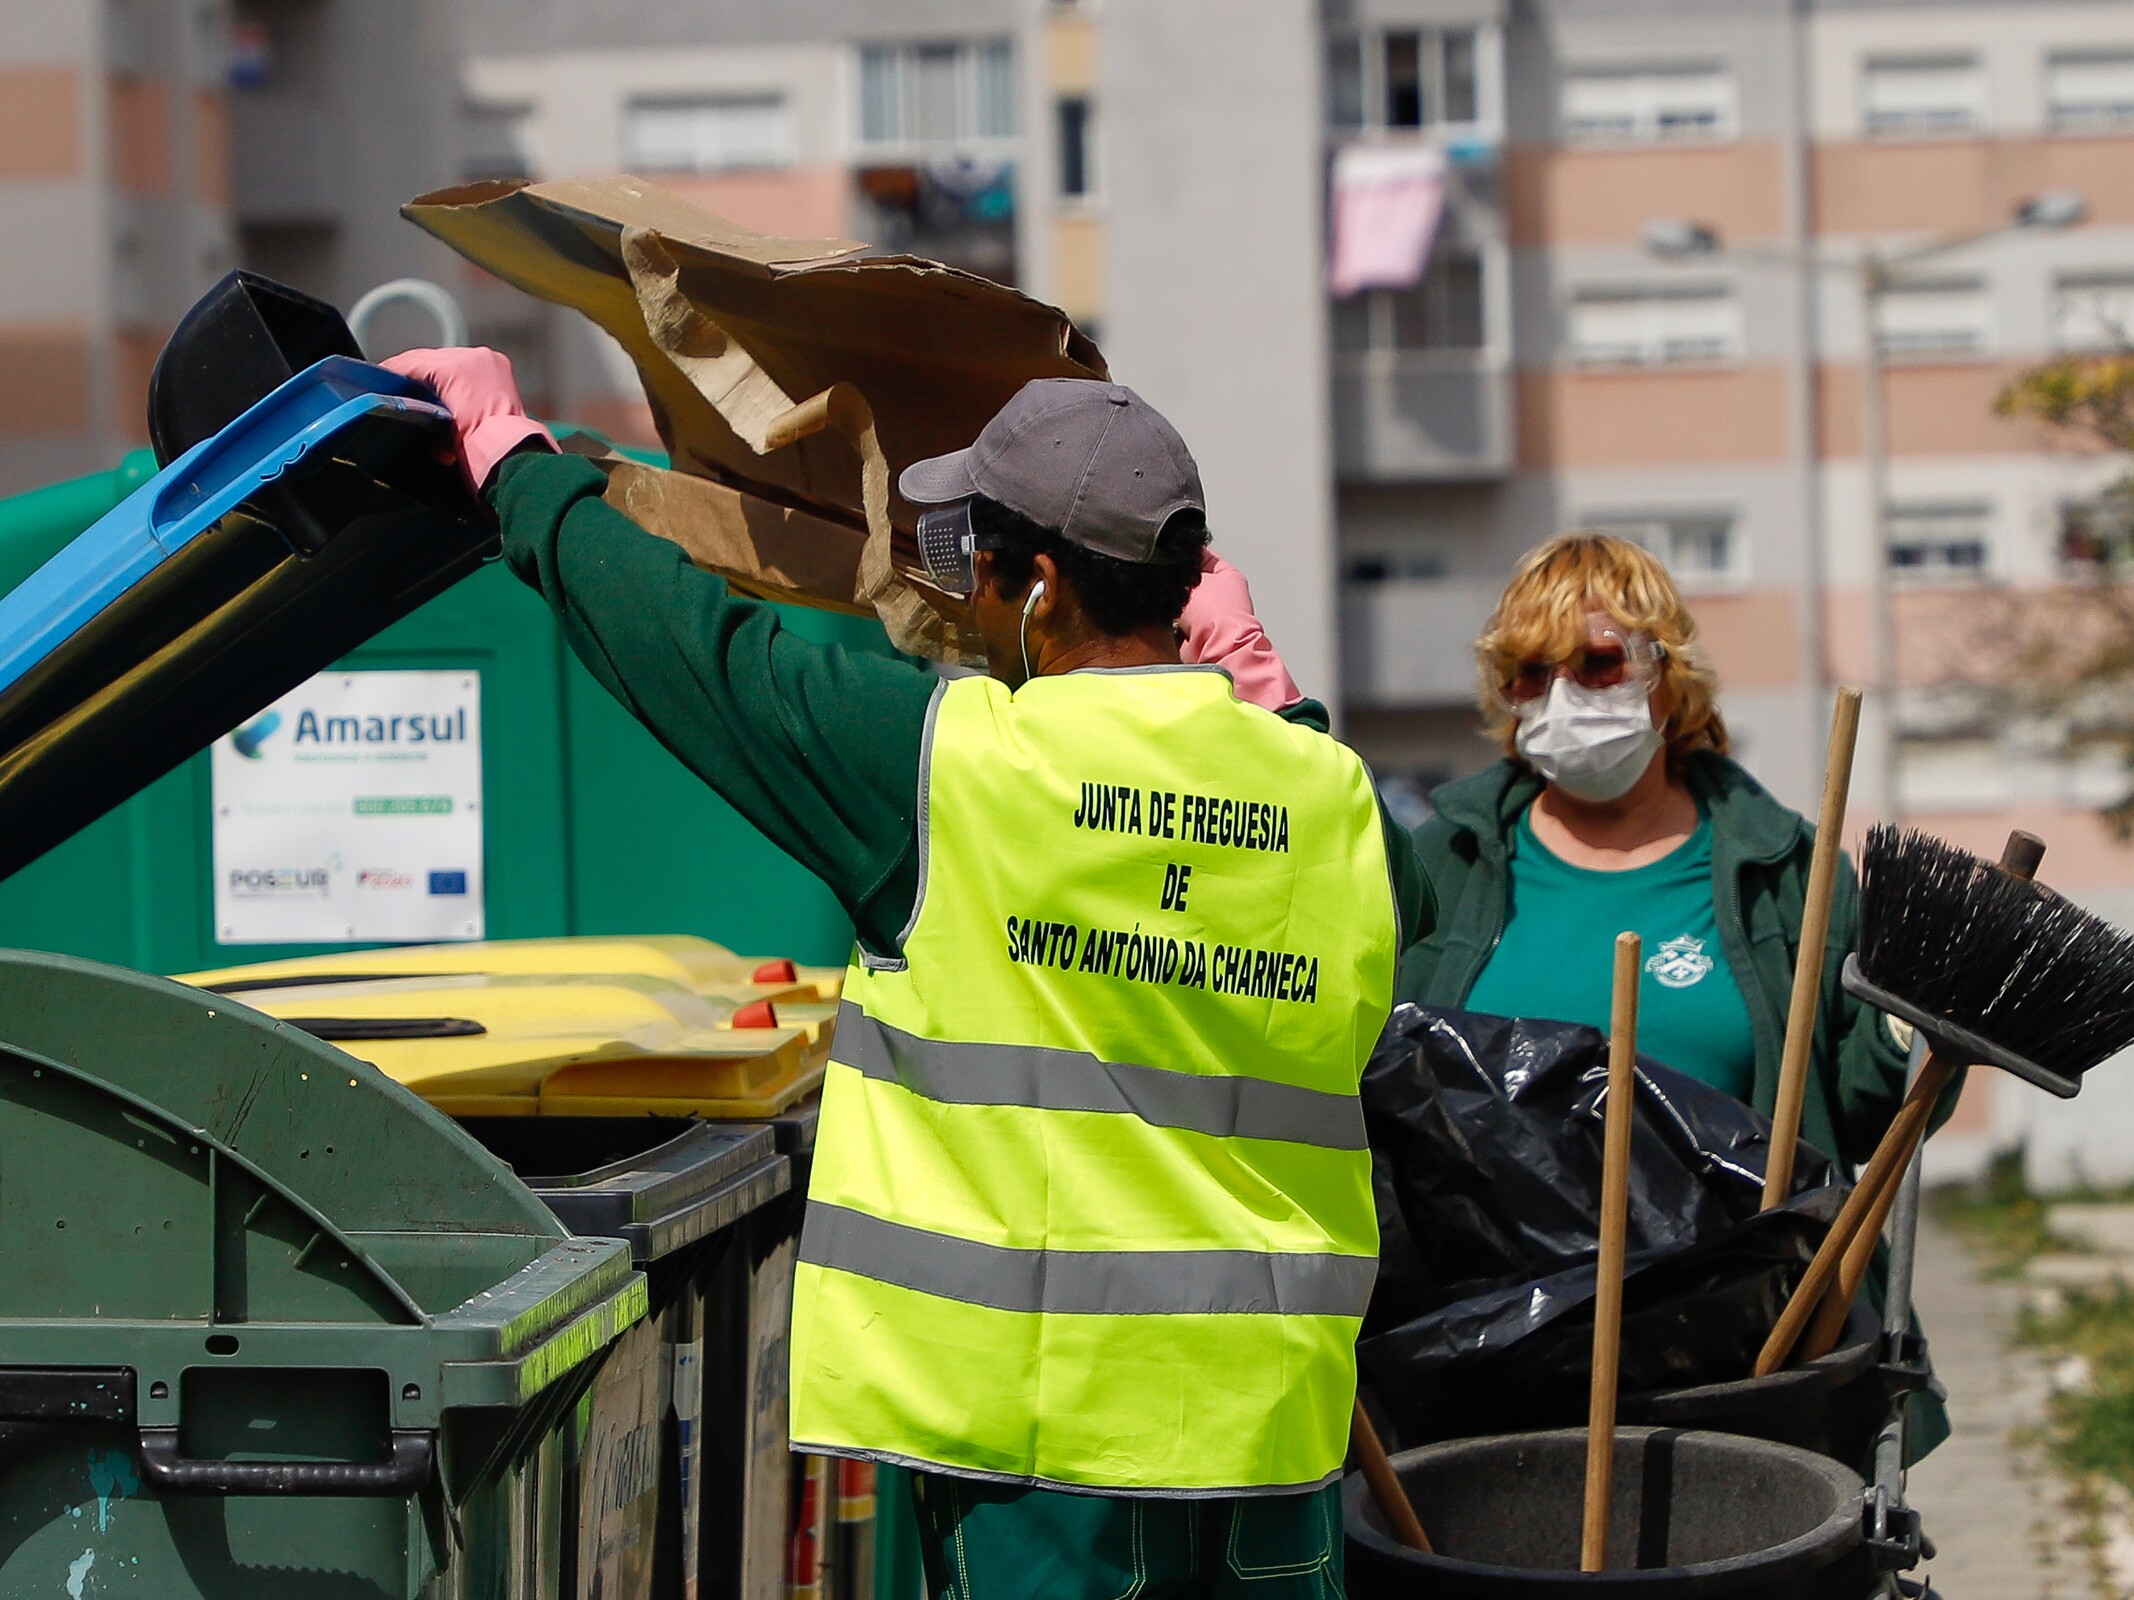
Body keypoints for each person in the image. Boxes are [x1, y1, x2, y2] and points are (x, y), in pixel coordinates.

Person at [388, 348, 1433, 1599]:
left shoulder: (953, 769)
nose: (964, 599)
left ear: (1038, 583)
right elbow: (1411, 907)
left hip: (1045, 1456)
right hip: (1272, 1436)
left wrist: (514, 470)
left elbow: (695, 653)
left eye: (970, 566)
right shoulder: (1326, 795)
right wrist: (1263, 689)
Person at [1399, 531, 1951, 1452]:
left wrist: (1920, 1026)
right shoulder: (1439, 863)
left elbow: (1865, 1116)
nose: (1565, 696)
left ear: (1668, 673)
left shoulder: (1786, 873)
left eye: (1598, 662)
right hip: (1492, 1360)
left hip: (1737, 1353)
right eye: (1531, 673)